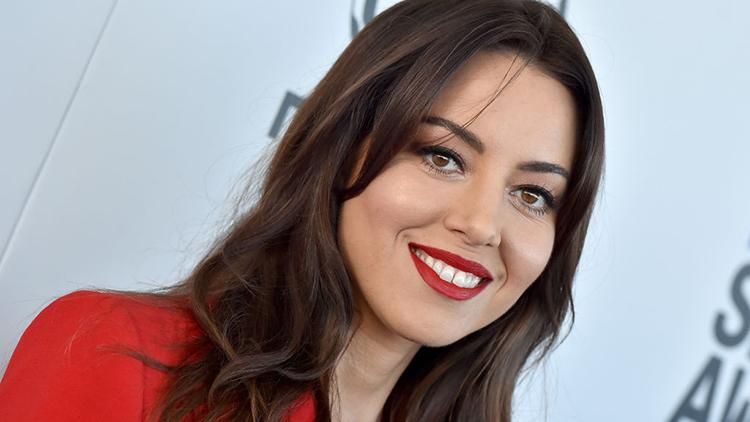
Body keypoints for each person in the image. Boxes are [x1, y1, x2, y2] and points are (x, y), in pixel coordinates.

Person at [0, 0, 604, 420]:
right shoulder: (112, 352)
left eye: (533, 195)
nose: (482, 224)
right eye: (442, 157)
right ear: (340, 150)